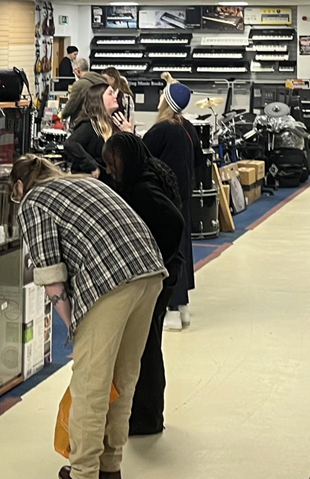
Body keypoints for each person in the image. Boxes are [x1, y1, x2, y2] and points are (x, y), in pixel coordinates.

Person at [10, 155, 167, 479]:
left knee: (91, 386)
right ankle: (111, 467)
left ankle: (83, 472)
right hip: (150, 270)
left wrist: (72, 326)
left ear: (19, 186)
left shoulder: (33, 201)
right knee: (122, 380)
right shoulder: (84, 181)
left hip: (110, 282)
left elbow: (52, 277)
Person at [103, 132, 185, 436]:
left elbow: (173, 222)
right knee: (148, 345)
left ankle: (147, 417)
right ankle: (145, 414)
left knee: (146, 348)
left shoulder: (143, 188)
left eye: (113, 164)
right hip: (166, 270)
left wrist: (157, 262)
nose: (111, 171)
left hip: (160, 275)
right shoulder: (150, 173)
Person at [143, 81, 202, 331]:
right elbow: (199, 160)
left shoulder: (162, 130)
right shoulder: (188, 128)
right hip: (183, 197)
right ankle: (183, 306)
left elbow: (142, 155)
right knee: (182, 248)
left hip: (164, 199)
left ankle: (173, 310)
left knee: (167, 251)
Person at [64, 83, 131, 182]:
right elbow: (71, 144)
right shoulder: (89, 125)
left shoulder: (111, 125)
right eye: (110, 93)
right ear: (99, 99)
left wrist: (129, 135)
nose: (115, 96)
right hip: (89, 184)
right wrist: (91, 165)